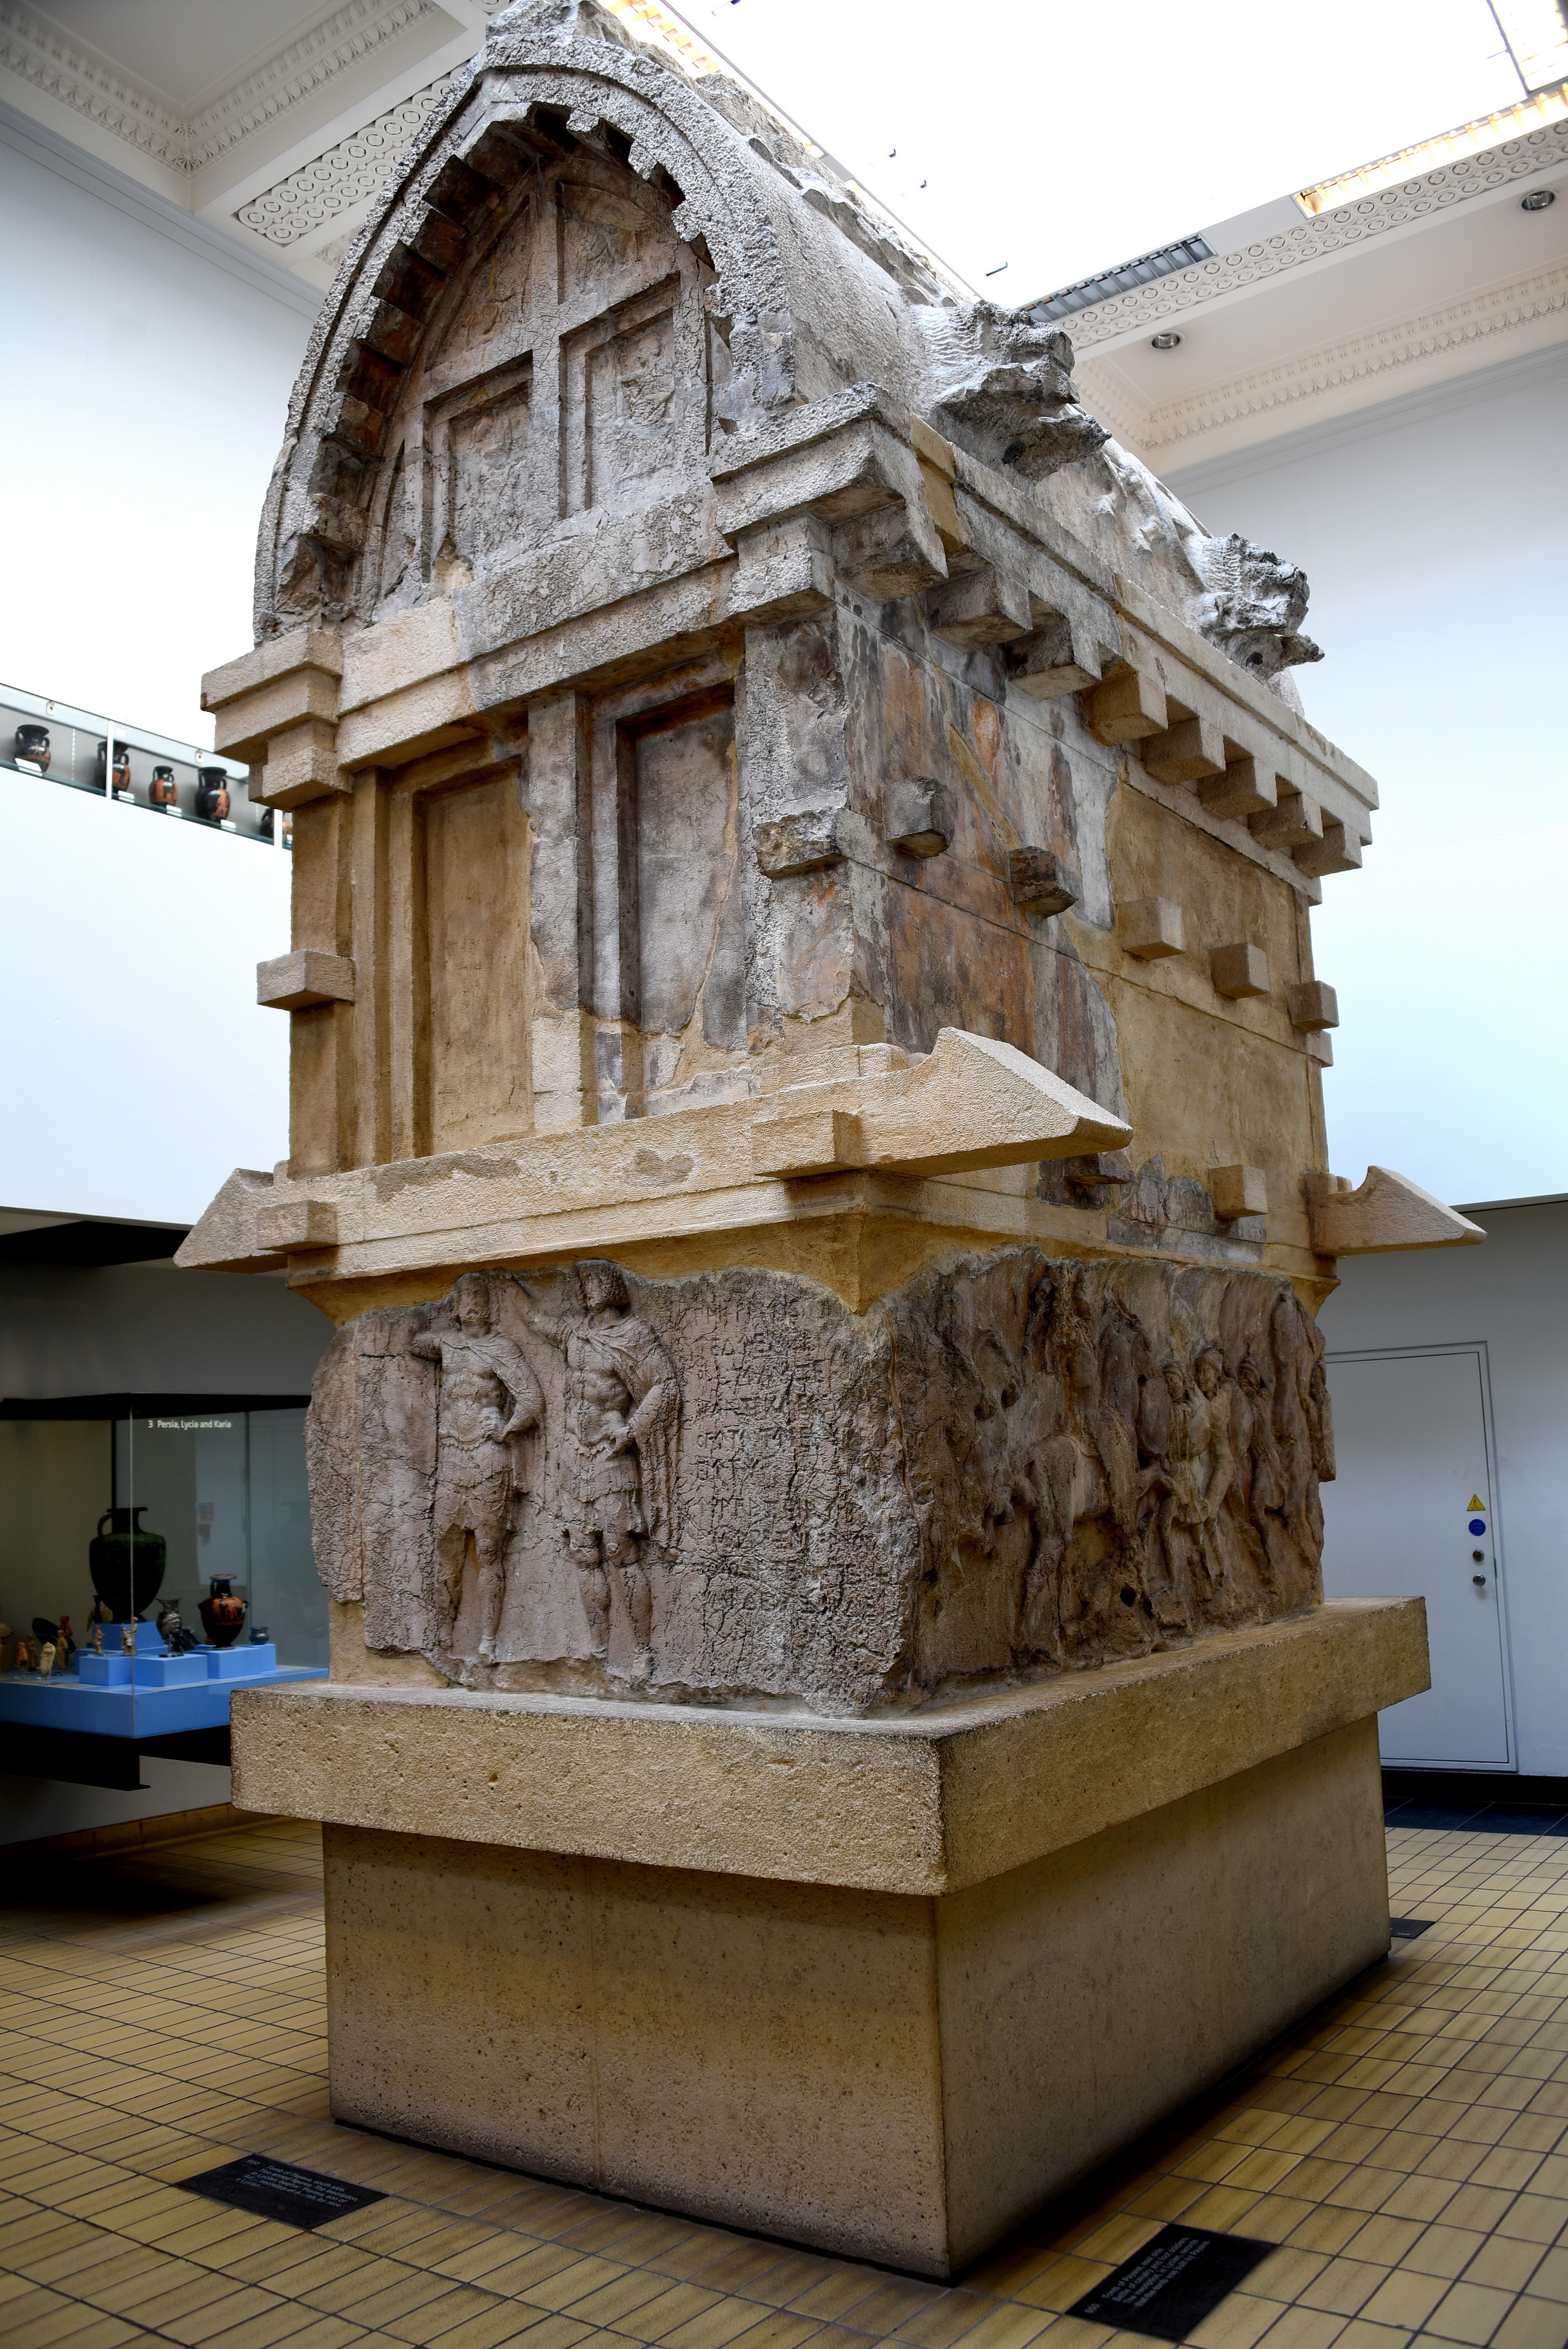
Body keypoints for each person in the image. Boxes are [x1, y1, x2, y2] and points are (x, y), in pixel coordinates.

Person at [518, 1260, 679, 1681]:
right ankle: (600, 1650)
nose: (584, 1290)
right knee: (585, 1553)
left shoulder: (634, 1334)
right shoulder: (577, 1333)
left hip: (611, 1454)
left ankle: (642, 1650)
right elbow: (536, 1321)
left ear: (609, 1286)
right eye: (582, 1283)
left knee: (620, 1552)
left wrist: (632, 1430)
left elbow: (665, 1384)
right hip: (575, 1455)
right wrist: (513, 1285)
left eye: (590, 1282)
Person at [412, 1274, 543, 1662]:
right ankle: (445, 1629)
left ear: (490, 1306)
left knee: (488, 1549)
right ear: (455, 1307)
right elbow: (415, 1342)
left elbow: (532, 1399)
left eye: (478, 1297)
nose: (471, 1304)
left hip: (488, 1454)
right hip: (453, 1452)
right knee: (446, 1543)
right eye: (464, 1298)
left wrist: (507, 1428)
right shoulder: (447, 1344)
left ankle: (488, 1638)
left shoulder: (502, 1348)